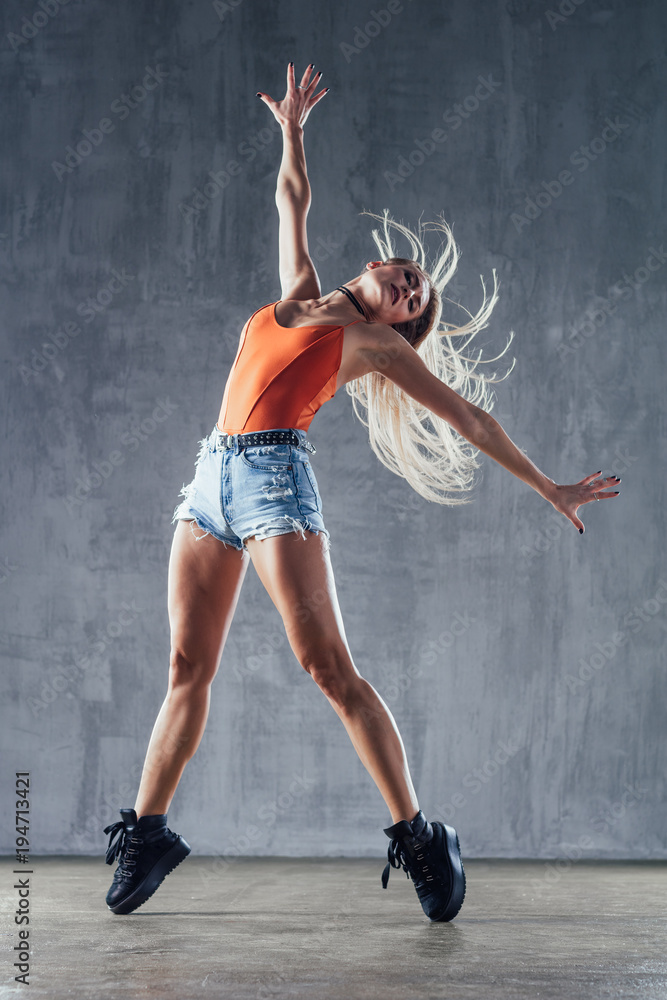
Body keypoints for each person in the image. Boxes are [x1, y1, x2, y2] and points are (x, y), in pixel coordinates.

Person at [102, 62, 621, 921]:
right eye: (411, 275)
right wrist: (293, 132)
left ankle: (419, 834)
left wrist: (547, 486)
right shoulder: (298, 299)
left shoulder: (373, 346)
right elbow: (291, 203)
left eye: (416, 300)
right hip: (209, 479)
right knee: (186, 665)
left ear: (395, 325)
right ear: (379, 263)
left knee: (327, 668)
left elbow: (468, 419)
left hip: (272, 482)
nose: (412, 288)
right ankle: (150, 830)